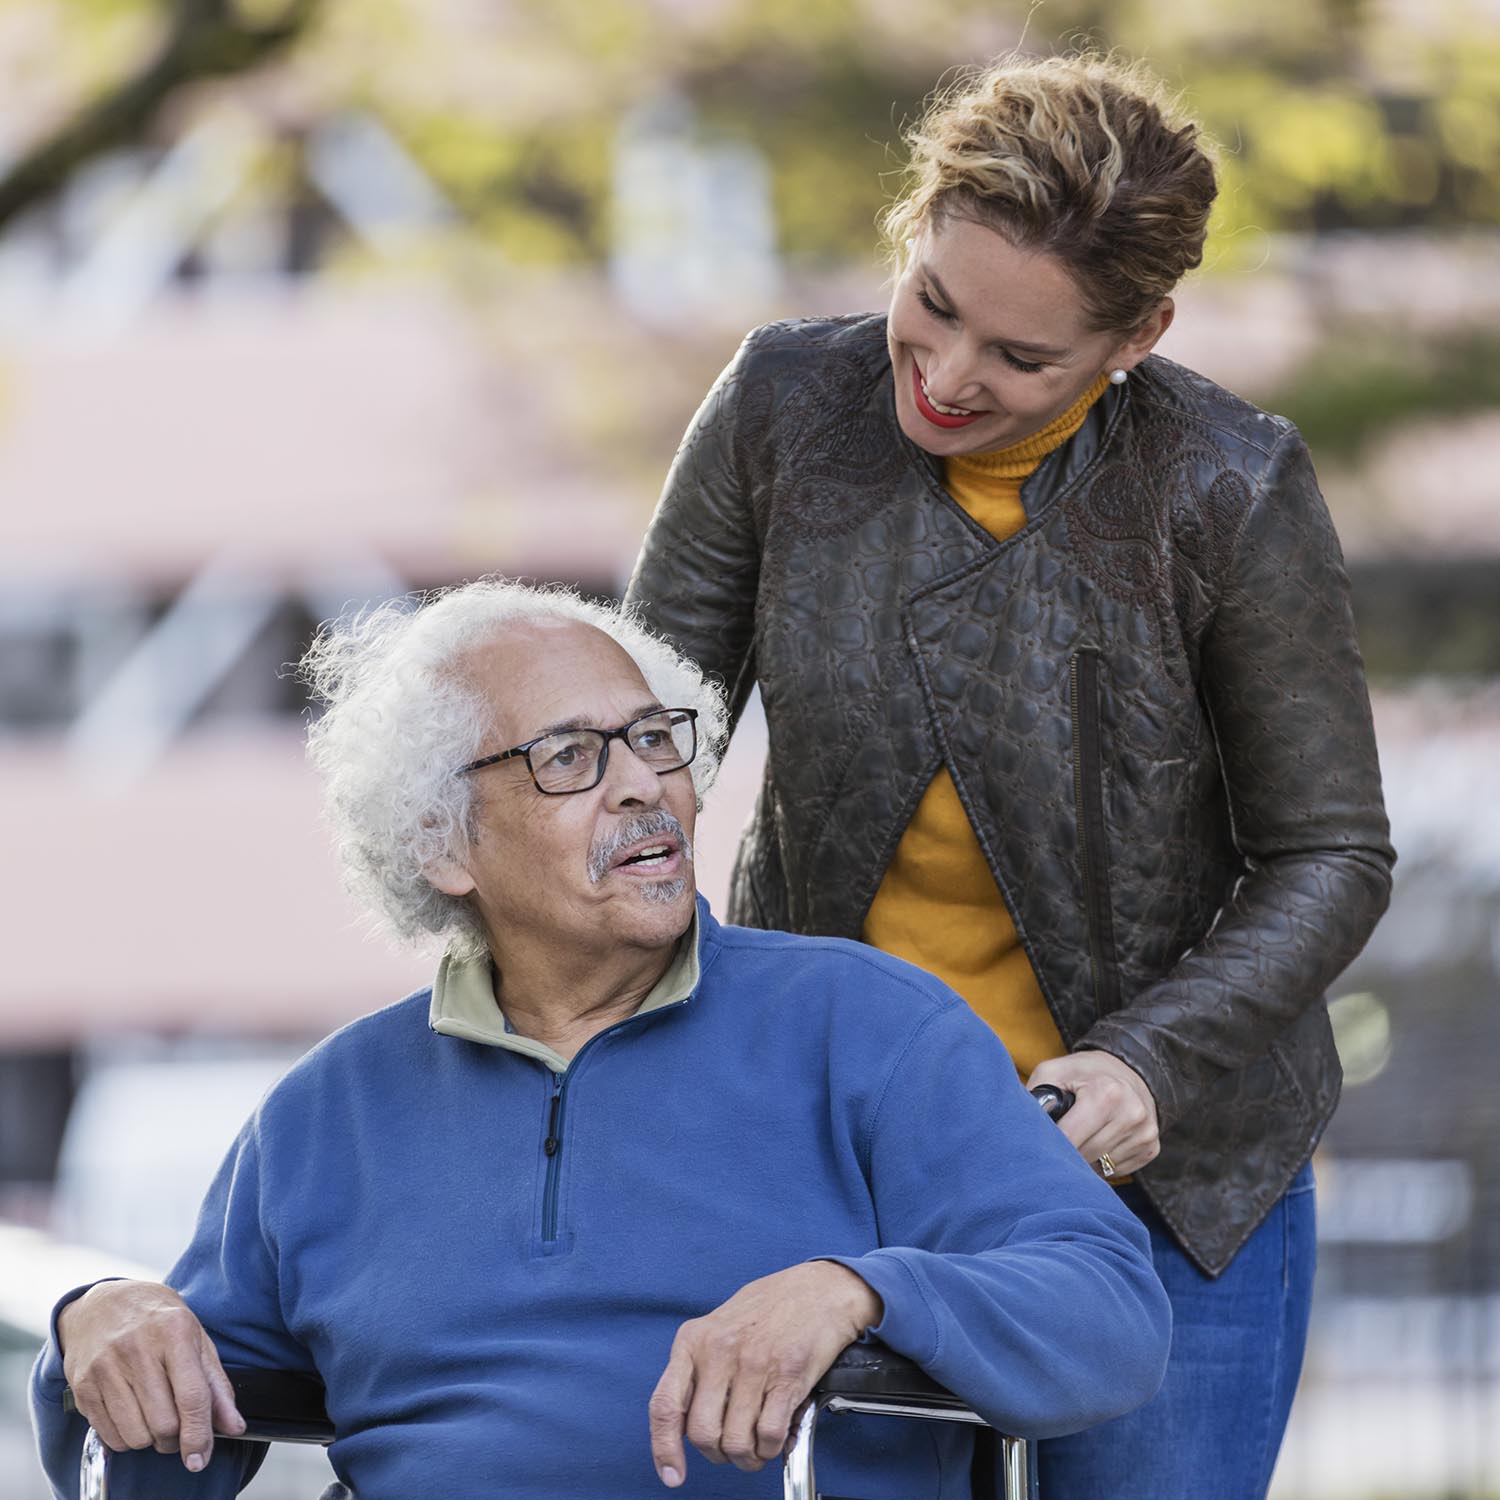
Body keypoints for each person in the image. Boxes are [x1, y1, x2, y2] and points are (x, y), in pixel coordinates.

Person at [625, 51, 1395, 1500]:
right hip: (846, 1163)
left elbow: (1333, 854)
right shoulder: (783, 408)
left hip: (1175, 1178)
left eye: (1020, 358)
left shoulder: (1229, 485)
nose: (947, 375)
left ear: (1140, 334)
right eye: (934, 304)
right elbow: (635, 745)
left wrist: (1144, 1060)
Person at [30, 580, 1170, 1500]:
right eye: (570, 758)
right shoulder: (328, 1113)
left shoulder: (866, 1028)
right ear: (444, 844)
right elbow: (157, 1458)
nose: (645, 789)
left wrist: (859, 1291)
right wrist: (97, 1326)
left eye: (654, 741)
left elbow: (1108, 1313)